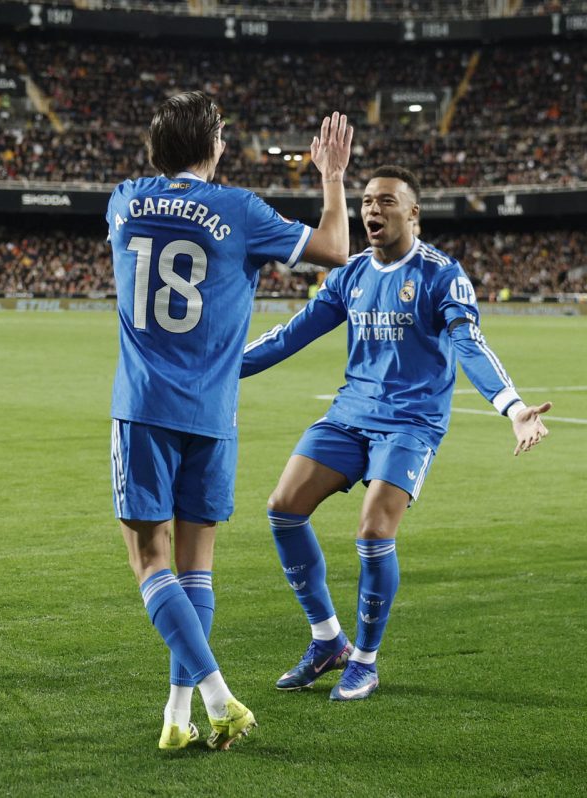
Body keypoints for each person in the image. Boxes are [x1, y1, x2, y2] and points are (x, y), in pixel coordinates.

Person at [240, 165, 551, 701]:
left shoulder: (441, 275)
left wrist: (514, 407)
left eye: (386, 201)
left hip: (410, 422)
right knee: (283, 507)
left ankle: (364, 658)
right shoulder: (350, 271)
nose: (371, 210)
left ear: (413, 214)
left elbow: (470, 344)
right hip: (350, 413)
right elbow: (292, 335)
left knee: (373, 533)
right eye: (365, 201)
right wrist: (224, 367)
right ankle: (327, 640)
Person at [107, 91, 353, 749]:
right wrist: (330, 175)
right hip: (213, 413)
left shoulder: (124, 199)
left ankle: (217, 700)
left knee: (149, 558)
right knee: (197, 566)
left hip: (143, 406)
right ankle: (177, 715)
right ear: (215, 147)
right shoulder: (238, 210)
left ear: (156, 151)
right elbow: (335, 246)